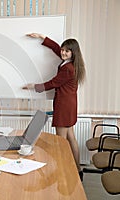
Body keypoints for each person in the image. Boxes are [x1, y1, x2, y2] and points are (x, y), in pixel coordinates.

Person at [23, 33, 86, 181]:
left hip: (64, 106)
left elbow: (53, 83)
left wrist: (34, 87)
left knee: (61, 142)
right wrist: (42, 37)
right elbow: (57, 48)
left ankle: (63, 170)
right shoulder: (70, 63)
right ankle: (77, 169)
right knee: (71, 138)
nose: (63, 52)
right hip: (69, 105)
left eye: (66, 51)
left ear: (73, 53)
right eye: (63, 50)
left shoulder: (68, 68)